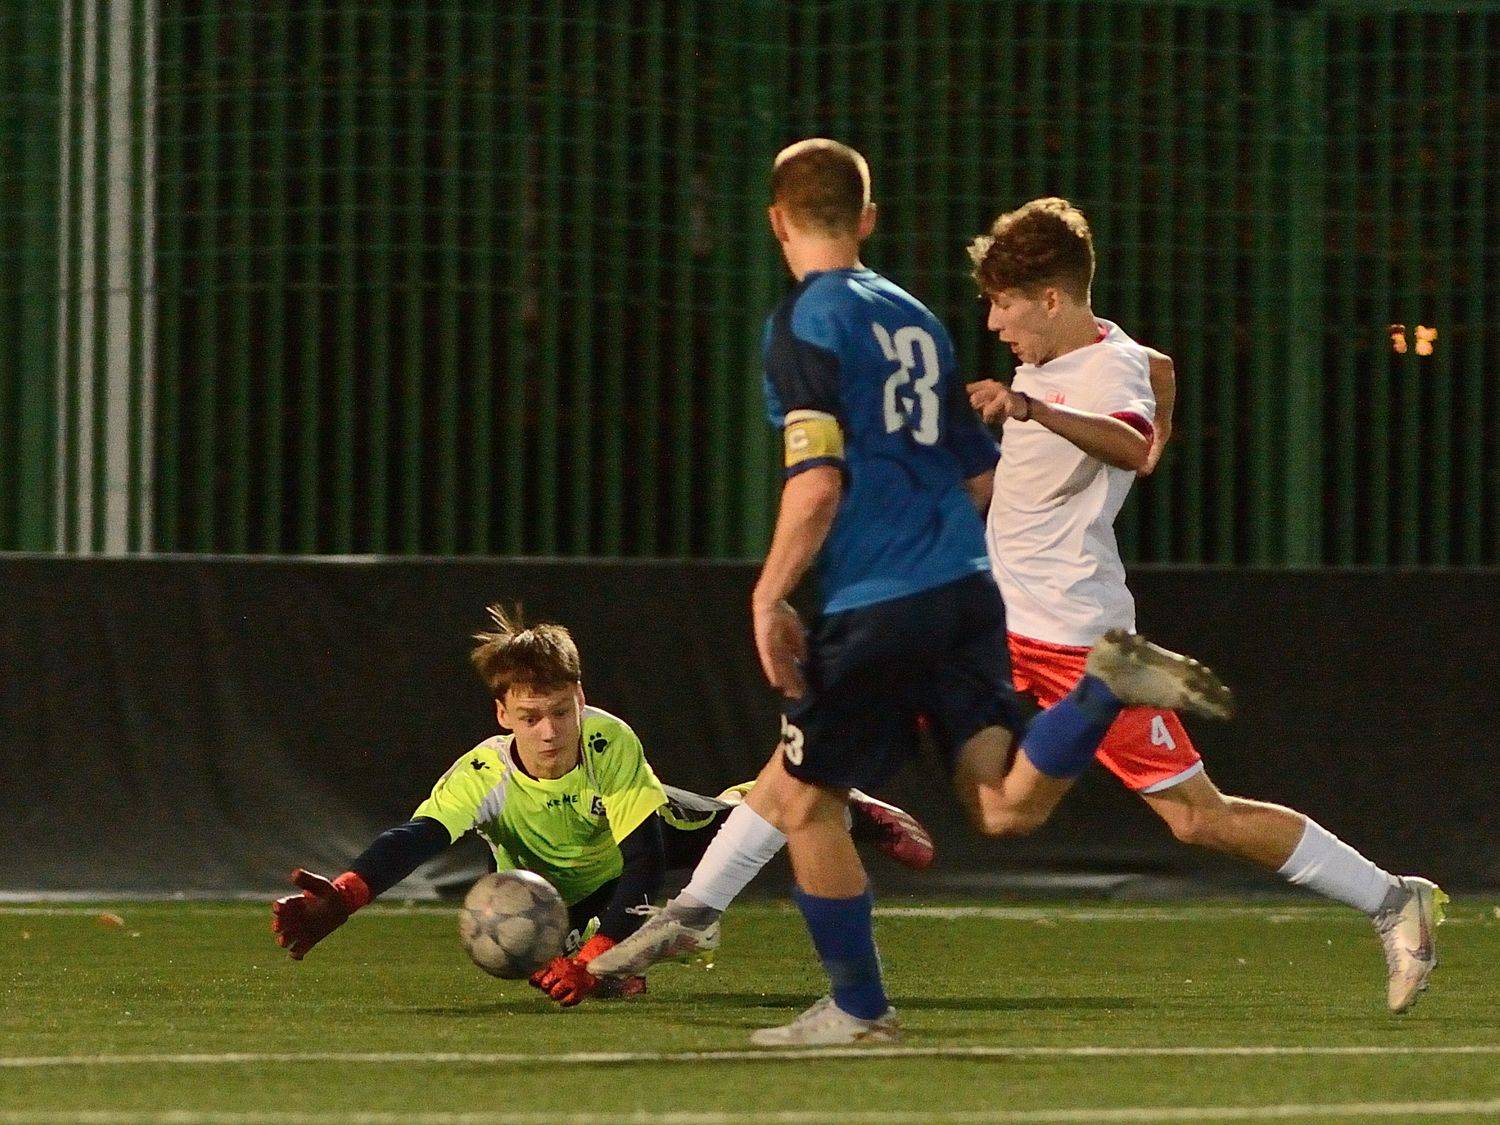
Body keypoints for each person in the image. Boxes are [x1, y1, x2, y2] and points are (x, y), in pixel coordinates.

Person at [588, 141, 1231, 1044]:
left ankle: (854, 1005)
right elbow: (978, 469)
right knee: (998, 805)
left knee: (809, 798)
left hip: (881, 598)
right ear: (868, 219)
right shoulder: (917, 319)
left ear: (776, 222)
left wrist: (770, 594)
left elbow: (816, 482)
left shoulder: (804, 323)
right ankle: (1100, 689)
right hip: (969, 594)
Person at [961, 196, 1445, 1014]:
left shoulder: (1095, 373)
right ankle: (793, 804)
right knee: (1002, 813)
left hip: (1074, 633)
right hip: (1009, 621)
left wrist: (1040, 411)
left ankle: (1394, 898)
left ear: (1050, 297)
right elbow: (1157, 370)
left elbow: (1126, 439)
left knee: (1196, 818)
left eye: (1004, 305)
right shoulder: (1081, 353)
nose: (993, 323)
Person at [269, 604, 936, 1006]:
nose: (549, 732)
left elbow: (644, 860)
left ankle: (848, 808)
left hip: (643, 838)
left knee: (755, 826)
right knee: (565, 972)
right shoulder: (482, 773)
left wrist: (599, 955)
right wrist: (348, 893)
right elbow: (414, 838)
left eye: (562, 711)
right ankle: (618, 948)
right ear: (503, 714)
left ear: (581, 700)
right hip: (560, 890)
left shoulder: (605, 740)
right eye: (530, 716)